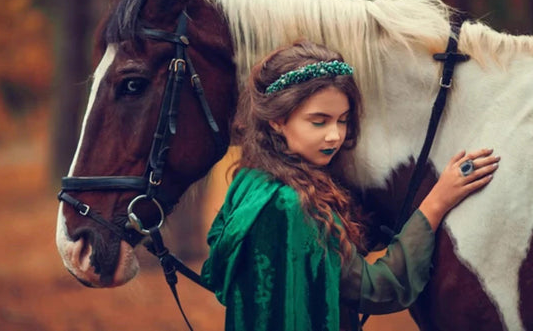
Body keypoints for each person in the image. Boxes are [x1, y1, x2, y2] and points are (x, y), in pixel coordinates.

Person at [200, 40, 499, 331]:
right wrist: (437, 202)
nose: (335, 136)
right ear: (277, 120)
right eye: (319, 121)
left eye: (342, 120)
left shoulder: (249, 182)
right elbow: (377, 289)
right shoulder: (294, 205)